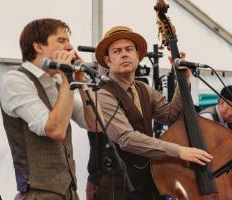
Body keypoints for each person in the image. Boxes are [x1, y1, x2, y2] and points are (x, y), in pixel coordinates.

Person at [86, 25, 213, 200]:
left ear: (138, 56)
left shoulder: (144, 89)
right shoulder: (103, 94)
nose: (124, 54)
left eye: (129, 49)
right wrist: (178, 151)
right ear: (108, 61)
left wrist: (182, 80)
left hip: (147, 184)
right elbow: (126, 138)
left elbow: (171, 115)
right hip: (117, 189)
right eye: (117, 51)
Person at [0, 18, 100, 199]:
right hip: (38, 194)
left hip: (69, 192)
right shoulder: (16, 80)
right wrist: (67, 78)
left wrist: (82, 81)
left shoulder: (57, 82)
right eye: (62, 41)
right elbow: (55, 129)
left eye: (69, 41)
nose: (70, 47)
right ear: (38, 47)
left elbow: (96, 124)